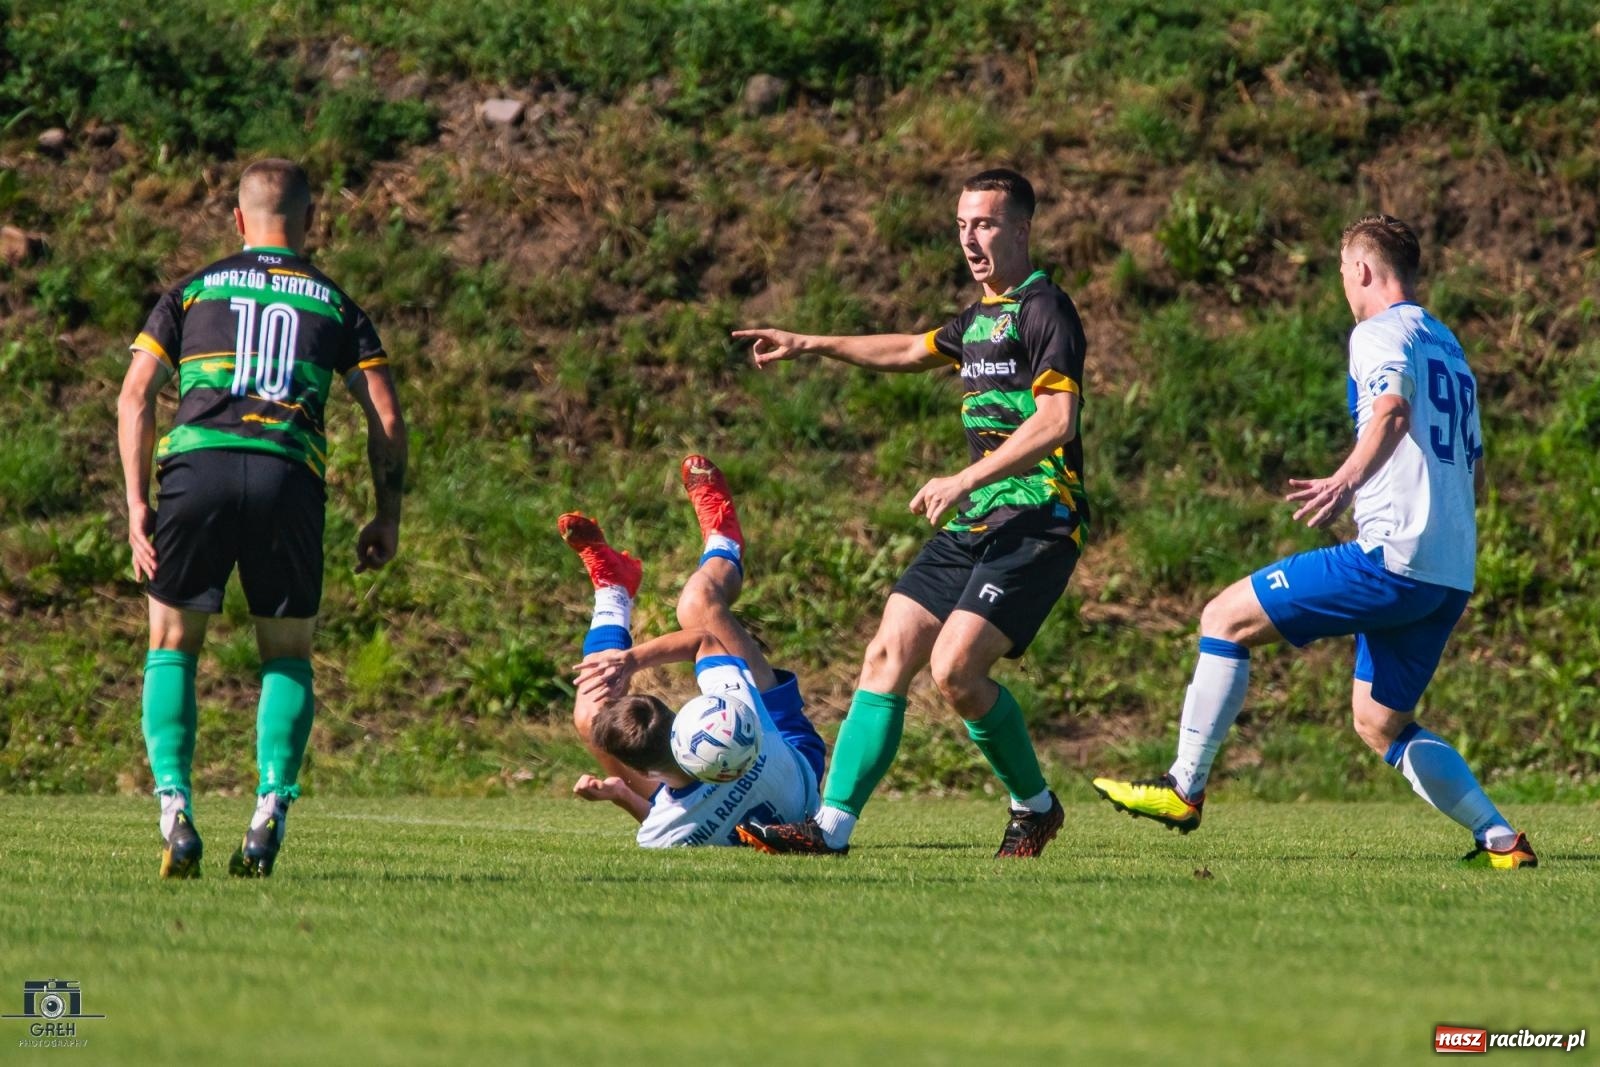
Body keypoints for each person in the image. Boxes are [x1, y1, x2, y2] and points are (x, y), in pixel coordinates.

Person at [1092, 214, 1536, 869]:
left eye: (1341, 273)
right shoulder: (1449, 346)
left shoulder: (1376, 332)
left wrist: (1344, 479)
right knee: (1379, 721)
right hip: (1448, 572)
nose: (1344, 287)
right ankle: (1501, 839)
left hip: (1393, 559)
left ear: (1360, 269)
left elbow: (1391, 411)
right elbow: (1472, 462)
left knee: (1224, 617)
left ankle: (1184, 788)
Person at [730, 169, 1087, 857]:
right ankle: (830, 829)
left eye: (984, 224)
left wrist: (965, 475)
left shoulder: (1045, 309)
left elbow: (1058, 419)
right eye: (961, 225)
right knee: (887, 649)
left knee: (955, 669)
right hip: (977, 517)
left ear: (1020, 229)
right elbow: (908, 348)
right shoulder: (978, 318)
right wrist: (811, 343)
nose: (970, 239)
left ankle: (1034, 804)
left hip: (1040, 516)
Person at [117, 158, 407, 878]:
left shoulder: (190, 291)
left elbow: (134, 394)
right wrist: (386, 513)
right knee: (287, 651)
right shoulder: (337, 304)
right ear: (311, 223)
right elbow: (388, 417)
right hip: (287, 476)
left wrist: (135, 505)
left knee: (173, 639)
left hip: (199, 470)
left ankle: (175, 808)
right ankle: (269, 809)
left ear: (239, 222)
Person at [560, 455, 826, 848]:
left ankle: (613, 592)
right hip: (791, 754)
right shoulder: (738, 711)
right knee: (697, 603)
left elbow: (668, 826)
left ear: (646, 772)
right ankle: (724, 538)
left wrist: (622, 796)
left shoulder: (661, 836)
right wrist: (631, 659)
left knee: (589, 718)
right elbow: (703, 640)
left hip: (738, 794)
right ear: (679, 718)